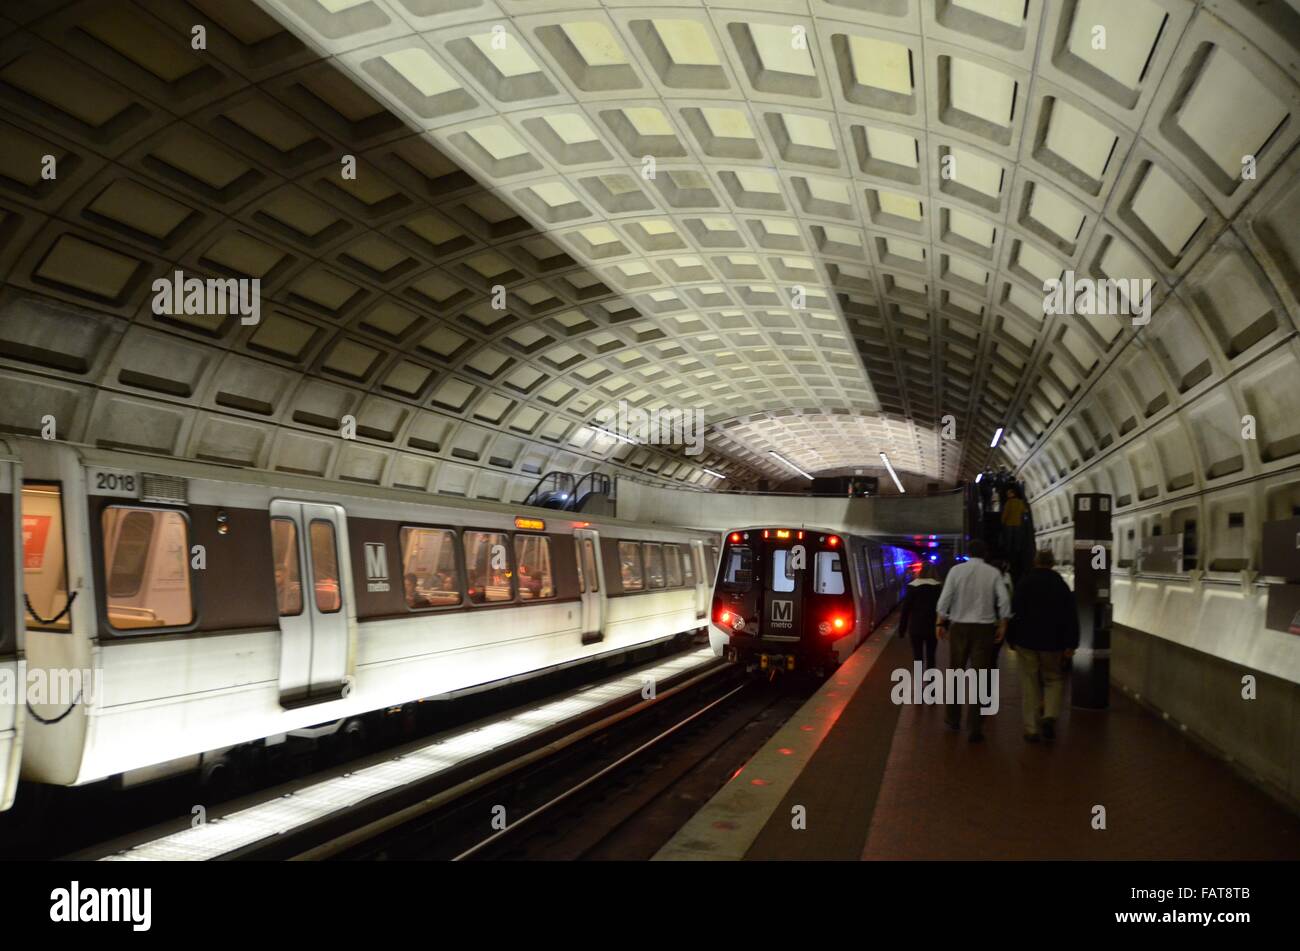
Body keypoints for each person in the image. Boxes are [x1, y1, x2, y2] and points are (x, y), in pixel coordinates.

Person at [936, 539, 1011, 742]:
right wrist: (1003, 624)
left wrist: (940, 622)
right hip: (984, 629)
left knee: (956, 672)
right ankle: (975, 727)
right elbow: (1004, 600)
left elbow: (946, 598)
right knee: (981, 676)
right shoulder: (993, 573)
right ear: (984, 554)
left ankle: (953, 718)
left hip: (959, 627)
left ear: (968, 552)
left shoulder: (956, 571)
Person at [1007, 548, 1079, 742]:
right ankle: (1049, 716)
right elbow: (1070, 616)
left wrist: (1011, 638)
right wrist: (1071, 643)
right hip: (1053, 642)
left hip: (1026, 640)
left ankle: (1031, 729)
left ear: (1035, 561)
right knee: (1053, 679)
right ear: (1053, 563)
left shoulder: (1024, 583)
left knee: (1029, 683)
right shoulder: (1060, 585)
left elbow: (1014, 613)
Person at [898, 562, 943, 671]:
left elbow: (906, 610)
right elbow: (942, 608)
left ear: (921, 572)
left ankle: (919, 684)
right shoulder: (938, 587)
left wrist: (902, 629)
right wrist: (943, 625)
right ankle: (931, 685)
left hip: (916, 627)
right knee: (931, 656)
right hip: (932, 627)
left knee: (917, 657)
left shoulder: (912, 586)